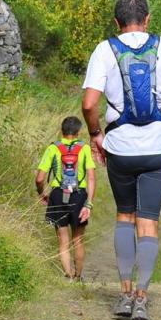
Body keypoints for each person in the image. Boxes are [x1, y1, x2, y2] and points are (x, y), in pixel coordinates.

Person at [81, 0, 161, 320]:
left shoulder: (105, 50)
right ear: (147, 20)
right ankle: (142, 300)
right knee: (149, 222)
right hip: (158, 147)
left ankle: (124, 294)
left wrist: (95, 134)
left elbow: (89, 104)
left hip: (121, 148)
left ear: (116, 23)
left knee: (125, 218)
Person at [35, 116, 97, 281]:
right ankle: (78, 276)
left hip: (57, 196)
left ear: (61, 131)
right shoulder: (84, 149)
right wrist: (89, 203)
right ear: (78, 132)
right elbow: (91, 178)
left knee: (63, 241)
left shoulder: (53, 148)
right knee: (78, 240)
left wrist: (41, 193)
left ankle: (68, 276)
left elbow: (40, 178)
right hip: (79, 196)